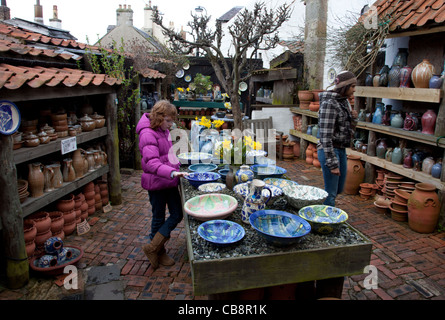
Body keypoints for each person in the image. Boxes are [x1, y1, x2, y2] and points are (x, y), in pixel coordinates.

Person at [136, 100, 188, 269]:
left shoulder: (162, 129)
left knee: (177, 214)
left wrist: (178, 165)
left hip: (169, 180)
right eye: (168, 120)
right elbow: (151, 162)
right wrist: (172, 172)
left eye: (172, 120)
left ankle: (152, 247)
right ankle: (159, 251)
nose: (171, 124)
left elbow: (167, 154)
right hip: (157, 183)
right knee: (158, 217)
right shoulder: (147, 134)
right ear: (158, 117)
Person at [317, 71, 358, 207]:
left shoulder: (344, 102)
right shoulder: (330, 103)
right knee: (331, 193)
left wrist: (353, 119)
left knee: (339, 189)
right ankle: (324, 222)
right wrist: (332, 163)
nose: (354, 89)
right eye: (352, 86)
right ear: (344, 86)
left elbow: (349, 132)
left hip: (341, 149)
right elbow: (325, 136)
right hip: (330, 149)